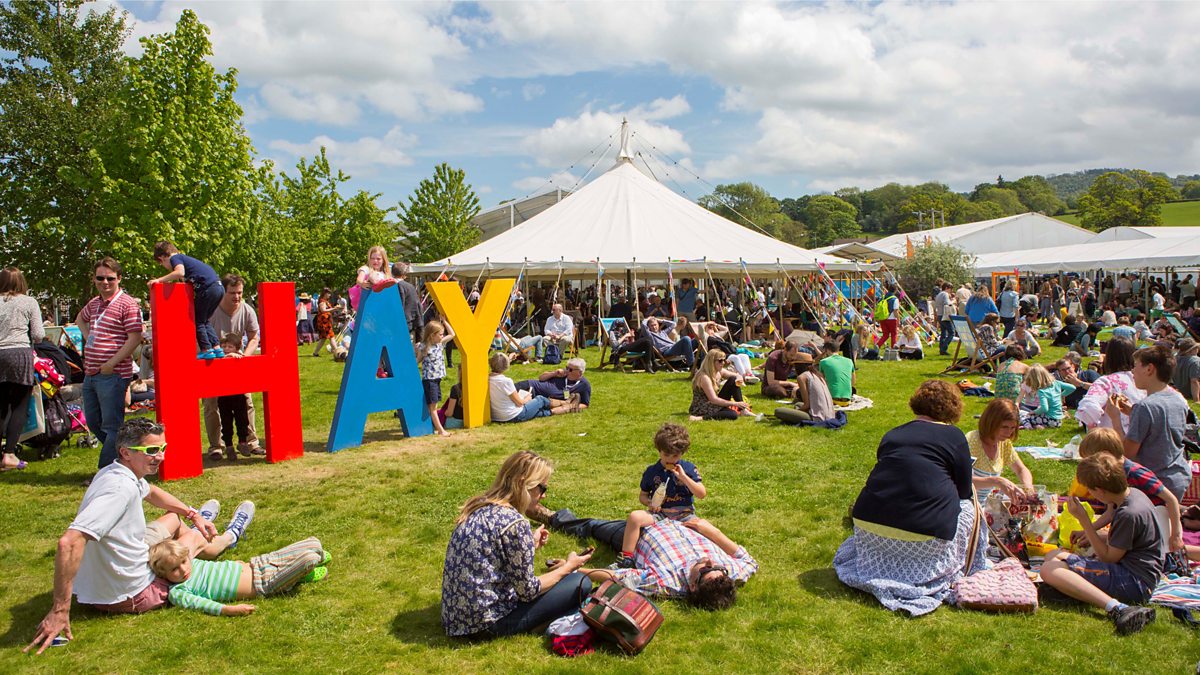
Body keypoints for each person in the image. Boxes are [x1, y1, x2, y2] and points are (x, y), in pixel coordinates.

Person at [24, 418, 226, 654]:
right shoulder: (119, 490)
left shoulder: (116, 471)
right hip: (131, 593)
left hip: (116, 567)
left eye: (163, 448)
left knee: (174, 518)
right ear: (126, 452)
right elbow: (69, 542)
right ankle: (229, 536)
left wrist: (192, 514)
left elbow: (151, 492)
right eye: (151, 450)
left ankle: (205, 523)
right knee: (190, 542)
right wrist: (59, 611)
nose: (160, 456)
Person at [833, 380, 986, 616]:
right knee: (969, 506)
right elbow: (964, 491)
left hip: (868, 528)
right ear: (952, 408)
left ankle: (890, 563)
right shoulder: (954, 437)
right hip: (924, 539)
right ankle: (961, 562)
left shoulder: (893, 434)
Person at [441, 451, 593, 637]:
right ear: (523, 483)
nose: (543, 495)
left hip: (455, 618)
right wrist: (568, 567)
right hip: (487, 624)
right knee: (580, 582)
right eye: (542, 488)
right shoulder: (515, 523)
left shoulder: (479, 505)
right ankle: (542, 625)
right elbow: (528, 591)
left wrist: (529, 544)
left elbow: (492, 556)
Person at [541, 507, 757, 610]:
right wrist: (711, 530)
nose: (709, 562)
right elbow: (749, 561)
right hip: (680, 518)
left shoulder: (666, 582)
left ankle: (550, 516)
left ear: (692, 586)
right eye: (717, 566)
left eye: (704, 570)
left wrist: (573, 569)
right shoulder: (729, 574)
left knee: (594, 527)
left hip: (641, 533)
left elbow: (618, 577)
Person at [1039, 454, 1161, 635]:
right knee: (1052, 556)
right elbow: (1115, 524)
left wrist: (1084, 521)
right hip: (1139, 573)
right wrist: (1090, 533)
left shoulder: (1129, 513)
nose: (1090, 495)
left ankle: (1118, 608)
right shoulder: (1133, 495)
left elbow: (1108, 557)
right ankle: (1075, 591)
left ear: (1100, 491)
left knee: (1049, 570)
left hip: (1135, 582)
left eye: (1090, 490)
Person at [613, 423, 723, 568]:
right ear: (659, 451)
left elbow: (701, 494)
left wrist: (684, 477)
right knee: (635, 517)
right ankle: (627, 557)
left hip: (685, 514)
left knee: (707, 528)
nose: (670, 459)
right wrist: (650, 503)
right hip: (661, 513)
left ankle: (721, 556)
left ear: (683, 453)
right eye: (666, 455)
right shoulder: (652, 472)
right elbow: (643, 496)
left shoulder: (688, 468)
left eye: (676, 456)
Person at [77, 257, 144, 470]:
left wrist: (111, 363)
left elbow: (135, 338)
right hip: (92, 373)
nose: (105, 282)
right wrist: (90, 337)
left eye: (110, 278)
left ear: (119, 278)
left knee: (112, 425)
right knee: (94, 421)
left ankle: (105, 471)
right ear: (94, 279)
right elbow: (80, 318)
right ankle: (123, 457)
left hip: (113, 374)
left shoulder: (127, 304)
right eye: (100, 278)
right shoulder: (94, 303)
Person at [149, 536, 329, 616]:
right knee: (310, 557)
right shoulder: (178, 591)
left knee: (314, 542)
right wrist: (228, 610)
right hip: (263, 582)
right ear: (162, 573)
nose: (182, 570)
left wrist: (238, 564)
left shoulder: (192, 563)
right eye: (174, 569)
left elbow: (216, 569)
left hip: (258, 563)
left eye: (183, 562)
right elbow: (201, 604)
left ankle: (301, 571)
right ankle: (301, 576)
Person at [1077, 428, 1183, 556]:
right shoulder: (1110, 475)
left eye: (1091, 460)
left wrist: (1176, 535)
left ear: (1104, 454)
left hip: (1155, 525)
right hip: (1135, 526)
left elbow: (1171, 499)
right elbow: (1111, 511)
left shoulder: (1137, 473)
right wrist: (1088, 530)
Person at [1105, 344, 1191, 500]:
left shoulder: (1145, 407)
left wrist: (1115, 418)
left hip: (1152, 483)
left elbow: (1127, 453)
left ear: (1149, 369)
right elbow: (1162, 427)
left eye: (1136, 366)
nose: (1133, 372)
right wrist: (1132, 412)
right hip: (1178, 477)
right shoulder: (1178, 399)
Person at [202, 274, 265, 461]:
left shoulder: (247, 310)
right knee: (211, 404)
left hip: (237, 363)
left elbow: (254, 337)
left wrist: (244, 357)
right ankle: (216, 446)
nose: (236, 297)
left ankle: (251, 442)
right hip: (212, 363)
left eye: (239, 293)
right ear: (223, 291)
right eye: (232, 293)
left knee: (246, 402)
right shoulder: (211, 311)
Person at [0, 268, 44, 472]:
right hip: (19, 354)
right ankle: (9, 454)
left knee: (1, 406)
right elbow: (38, 334)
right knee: (19, 405)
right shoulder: (28, 302)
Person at [150, 241, 224, 359]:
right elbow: (184, 278)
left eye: (161, 264)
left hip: (208, 289)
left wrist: (159, 280)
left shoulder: (176, 258)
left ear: (162, 257)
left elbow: (179, 272)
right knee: (204, 320)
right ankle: (217, 348)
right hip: (218, 288)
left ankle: (206, 349)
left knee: (197, 319)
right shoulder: (187, 261)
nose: (166, 268)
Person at [967, 399, 1033, 502]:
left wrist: (1028, 489)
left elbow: (1021, 470)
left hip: (987, 503)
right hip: (968, 503)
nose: (1009, 432)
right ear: (991, 422)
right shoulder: (973, 441)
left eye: (1012, 428)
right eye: (1004, 427)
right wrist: (996, 481)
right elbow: (963, 481)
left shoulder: (1003, 443)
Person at [1076, 337, 1146, 432]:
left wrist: (1093, 430)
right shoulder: (1144, 381)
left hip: (1113, 439)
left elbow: (1088, 407)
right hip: (1141, 437)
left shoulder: (1106, 382)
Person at [487, 353, 576, 423]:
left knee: (537, 413)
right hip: (513, 415)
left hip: (496, 416)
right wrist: (527, 398)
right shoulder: (506, 381)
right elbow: (520, 403)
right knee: (540, 399)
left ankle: (558, 409)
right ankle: (566, 403)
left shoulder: (487, 378)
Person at [418, 319, 456, 437]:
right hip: (429, 380)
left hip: (437, 379)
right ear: (432, 335)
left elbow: (452, 334)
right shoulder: (424, 347)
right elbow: (417, 361)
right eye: (440, 334)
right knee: (433, 406)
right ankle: (440, 430)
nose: (442, 336)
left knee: (434, 405)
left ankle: (433, 427)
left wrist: (444, 321)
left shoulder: (440, 344)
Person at [775, 352, 835, 424]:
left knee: (779, 411)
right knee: (798, 404)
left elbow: (807, 405)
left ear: (798, 366)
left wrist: (797, 412)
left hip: (817, 418)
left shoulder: (802, 377)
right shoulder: (819, 375)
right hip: (831, 415)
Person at [689, 349, 748, 421]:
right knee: (733, 414)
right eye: (720, 361)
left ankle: (743, 410)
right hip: (702, 406)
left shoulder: (719, 372)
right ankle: (700, 418)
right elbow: (713, 400)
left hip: (713, 402)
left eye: (724, 360)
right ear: (711, 362)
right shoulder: (704, 377)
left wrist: (738, 377)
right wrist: (735, 404)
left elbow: (736, 376)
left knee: (733, 379)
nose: (723, 363)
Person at [515, 358, 592, 411]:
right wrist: (554, 373)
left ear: (580, 372)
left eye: (570, 369)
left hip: (539, 399)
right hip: (530, 387)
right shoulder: (562, 374)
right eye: (567, 368)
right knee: (507, 394)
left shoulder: (584, 385)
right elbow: (541, 378)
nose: (567, 370)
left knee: (514, 405)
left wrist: (570, 407)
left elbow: (585, 404)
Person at [1018, 363, 1073, 429]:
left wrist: (1033, 412)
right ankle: (1038, 426)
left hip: (1049, 419)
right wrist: (1061, 395)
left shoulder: (1042, 391)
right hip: (1058, 421)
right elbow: (1072, 388)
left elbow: (1044, 408)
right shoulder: (1056, 383)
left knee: (1025, 416)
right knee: (1036, 415)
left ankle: (1028, 426)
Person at [390, 261, 423, 342]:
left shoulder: (392, 286)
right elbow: (418, 306)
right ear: (404, 274)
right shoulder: (411, 287)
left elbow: (397, 306)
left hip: (397, 325)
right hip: (410, 323)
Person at [1172, 337, 1200, 401]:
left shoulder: (1175, 359)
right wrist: (1196, 400)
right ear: (1191, 350)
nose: (1197, 349)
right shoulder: (1195, 361)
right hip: (1190, 393)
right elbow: (1194, 381)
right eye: (1196, 347)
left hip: (1178, 392)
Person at [311, 288, 335, 357]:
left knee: (324, 338)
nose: (329, 295)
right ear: (325, 293)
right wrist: (334, 309)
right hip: (324, 323)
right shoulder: (322, 301)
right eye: (328, 293)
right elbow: (323, 310)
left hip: (326, 321)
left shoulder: (326, 301)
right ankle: (337, 352)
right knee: (331, 336)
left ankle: (315, 353)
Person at [934, 282, 956, 355]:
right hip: (945, 316)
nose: (951, 291)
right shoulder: (945, 294)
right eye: (950, 289)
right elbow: (947, 304)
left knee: (943, 333)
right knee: (951, 332)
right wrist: (953, 301)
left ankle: (941, 349)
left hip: (939, 315)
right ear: (946, 288)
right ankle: (944, 348)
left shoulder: (938, 295)